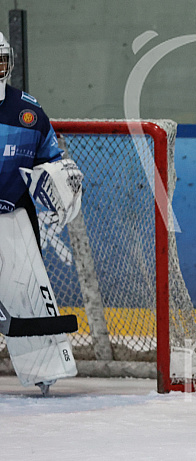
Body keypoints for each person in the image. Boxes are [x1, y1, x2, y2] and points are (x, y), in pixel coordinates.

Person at [0, 32, 83, 395]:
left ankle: (43, 368)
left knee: (27, 291)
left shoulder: (27, 112)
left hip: (12, 217)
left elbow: (53, 160)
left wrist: (60, 180)